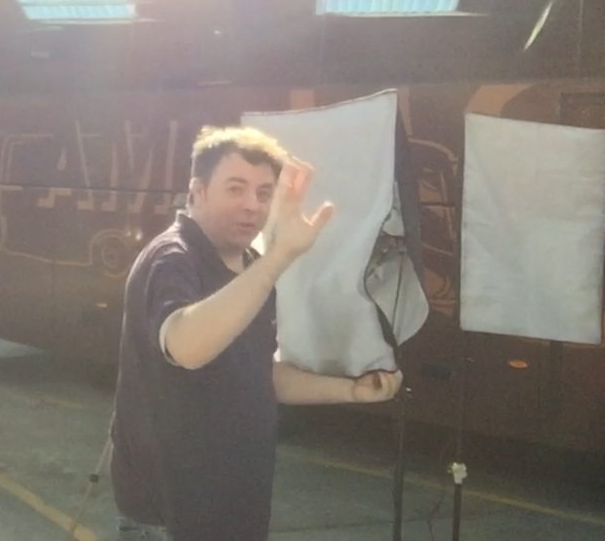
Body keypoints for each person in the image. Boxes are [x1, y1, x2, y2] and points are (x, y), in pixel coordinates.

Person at [110, 125, 402, 541]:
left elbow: (259, 373)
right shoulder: (172, 258)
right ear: (197, 191)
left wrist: (351, 391)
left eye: (264, 193)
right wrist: (278, 258)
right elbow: (186, 347)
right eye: (235, 188)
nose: (252, 205)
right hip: (171, 517)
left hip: (235, 508)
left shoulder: (250, 266)